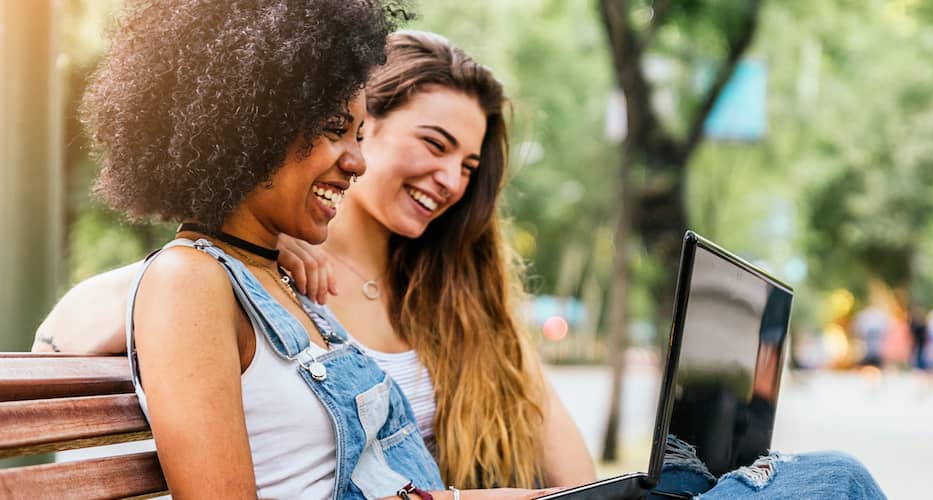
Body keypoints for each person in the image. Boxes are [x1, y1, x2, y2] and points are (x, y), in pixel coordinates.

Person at [36, 28, 592, 489]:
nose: (451, 181)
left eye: (469, 166)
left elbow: (571, 470)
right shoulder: (238, 276)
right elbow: (68, 335)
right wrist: (243, 261)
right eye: (434, 143)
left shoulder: (457, 294)